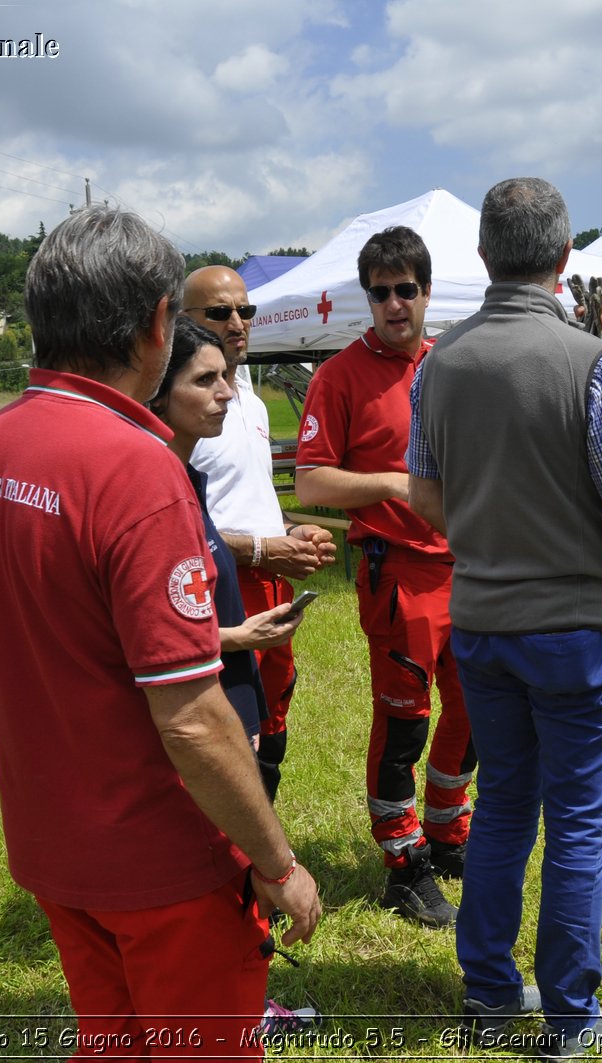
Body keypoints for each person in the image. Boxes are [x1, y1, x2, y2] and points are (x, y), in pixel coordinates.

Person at [0, 206, 320, 1059]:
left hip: (52, 838)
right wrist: (277, 860)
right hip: (163, 858)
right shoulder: (137, 466)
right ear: (159, 322)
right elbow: (189, 717)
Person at [407, 177, 602, 1058]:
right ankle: (569, 1017)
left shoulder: (439, 363)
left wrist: (490, 541)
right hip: (581, 629)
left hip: (481, 623)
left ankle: (489, 993)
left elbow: (426, 494)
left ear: (482, 256)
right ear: (565, 260)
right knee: (578, 825)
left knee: (505, 807)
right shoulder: (588, 361)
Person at [294, 226, 472, 928]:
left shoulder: (450, 365)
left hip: (471, 568)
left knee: (477, 706)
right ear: (366, 298)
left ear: (427, 291)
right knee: (406, 722)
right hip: (397, 572)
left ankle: (448, 831)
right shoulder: (339, 376)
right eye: (381, 292)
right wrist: (392, 484)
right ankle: (402, 863)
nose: (395, 303)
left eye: (407, 288)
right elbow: (310, 482)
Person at [182, 266, 335, 801]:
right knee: (228, 728)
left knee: (272, 717)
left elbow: (249, 498)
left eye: (245, 311)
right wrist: (268, 547)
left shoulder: (244, 394)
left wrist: (294, 529)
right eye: (220, 312)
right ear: (185, 321)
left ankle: (261, 847)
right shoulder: (182, 407)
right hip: (223, 590)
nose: (238, 322)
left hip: (271, 586)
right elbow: (181, 527)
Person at [148, 316, 303, 746]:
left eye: (224, 377)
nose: (226, 392)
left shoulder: (188, 476)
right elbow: (152, 634)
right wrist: (240, 638)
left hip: (229, 689)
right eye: (204, 380)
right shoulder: (154, 490)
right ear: (158, 392)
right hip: (199, 709)